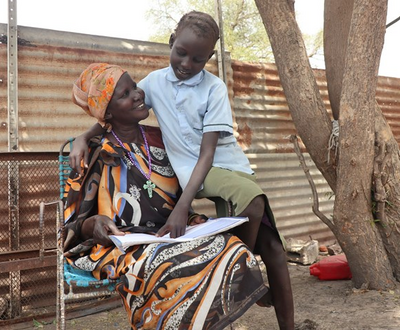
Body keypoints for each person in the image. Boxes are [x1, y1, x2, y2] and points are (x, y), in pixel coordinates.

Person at [70, 11, 294, 330]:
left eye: (198, 59)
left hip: (222, 166)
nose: (187, 64)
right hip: (192, 173)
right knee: (255, 203)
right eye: (181, 53)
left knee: (273, 247)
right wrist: (85, 136)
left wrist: (182, 207)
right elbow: (116, 106)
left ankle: (281, 317)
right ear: (171, 42)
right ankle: (242, 274)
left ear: (210, 58)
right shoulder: (154, 82)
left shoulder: (213, 89)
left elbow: (208, 151)